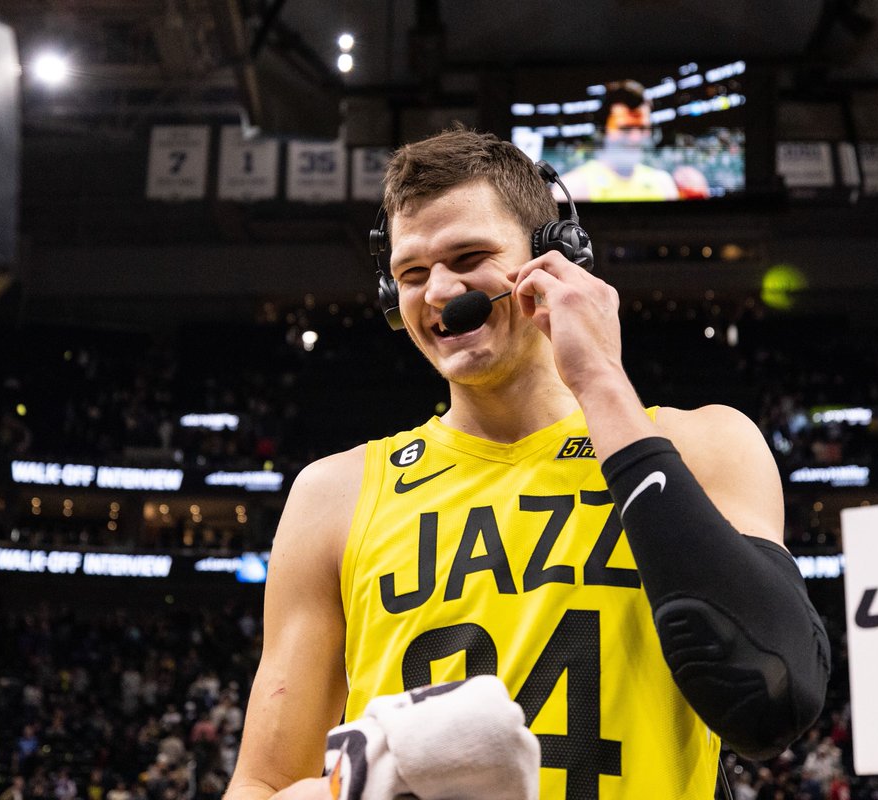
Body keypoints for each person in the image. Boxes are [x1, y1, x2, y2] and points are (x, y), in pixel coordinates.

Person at [225, 127, 828, 800]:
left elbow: (774, 690)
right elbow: (264, 781)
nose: (438, 292)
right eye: (411, 274)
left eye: (468, 256)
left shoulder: (707, 445)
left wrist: (598, 376)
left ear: (556, 258)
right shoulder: (333, 494)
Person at [557, 80, 706, 202]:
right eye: (626, 128)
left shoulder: (663, 183)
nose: (635, 137)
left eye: (642, 128)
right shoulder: (572, 188)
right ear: (602, 131)